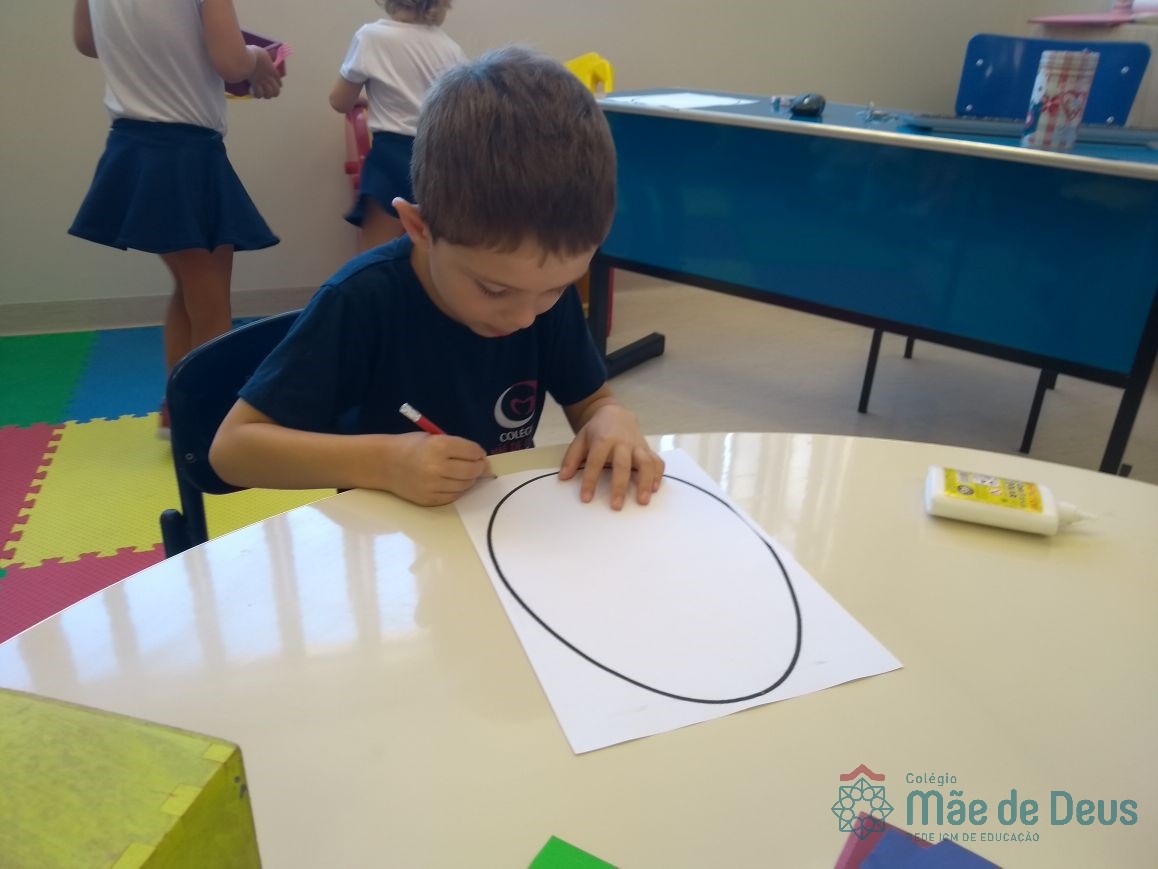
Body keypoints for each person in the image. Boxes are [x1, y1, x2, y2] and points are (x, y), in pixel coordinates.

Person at [211, 47, 665, 510]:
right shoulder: (361, 300)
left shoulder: (537, 293)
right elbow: (233, 451)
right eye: (494, 289)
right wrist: (385, 463)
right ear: (420, 229)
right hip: (387, 536)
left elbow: (591, 401)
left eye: (556, 288)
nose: (525, 318)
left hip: (494, 525)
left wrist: (610, 417)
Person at [70, 0, 284, 438]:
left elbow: (87, 41)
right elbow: (231, 62)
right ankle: (206, 417)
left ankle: (179, 405)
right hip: (184, 151)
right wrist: (259, 59)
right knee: (210, 299)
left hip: (132, 144)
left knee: (189, 286)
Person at [329, 0, 466, 251]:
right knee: (435, 249)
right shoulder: (451, 48)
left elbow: (339, 101)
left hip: (391, 156)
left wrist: (366, 99)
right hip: (440, 158)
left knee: (377, 253)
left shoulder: (371, 37)